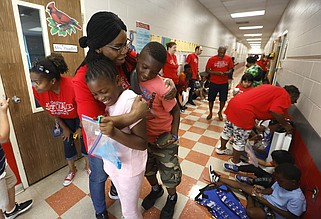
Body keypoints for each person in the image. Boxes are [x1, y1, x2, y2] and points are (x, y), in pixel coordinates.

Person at [73, 11, 176, 219]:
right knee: (100, 175)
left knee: (121, 177)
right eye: (117, 47)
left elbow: (148, 68)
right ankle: (100, 211)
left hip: (130, 142)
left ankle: (118, 189)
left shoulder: (125, 59)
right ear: (98, 47)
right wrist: (133, 115)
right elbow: (95, 128)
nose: (125, 51)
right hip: (103, 145)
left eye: (126, 43)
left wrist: (168, 83)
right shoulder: (84, 79)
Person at [86, 58, 147, 219]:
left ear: (118, 80)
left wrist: (114, 133)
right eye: (95, 94)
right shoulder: (110, 102)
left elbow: (142, 143)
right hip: (116, 164)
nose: (100, 97)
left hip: (130, 169)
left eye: (104, 91)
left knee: (129, 211)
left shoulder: (130, 101)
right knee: (122, 199)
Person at [135, 42, 182, 219]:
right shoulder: (131, 76)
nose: (146, 73)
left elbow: (176, 110)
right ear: (138, 57)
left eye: (153, 71)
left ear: (160, 70)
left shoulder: (163, 86)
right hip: (143, 138)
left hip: (164, 139)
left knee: (169, 173)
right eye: (144, 67)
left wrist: (174, 135)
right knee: (148, 169)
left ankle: (172, 196)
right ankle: (156, 190)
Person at [30, 53, 89, 187]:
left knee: (84, 140)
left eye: (38, 82)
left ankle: (88, 165)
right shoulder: (38, 92)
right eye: (33, 82)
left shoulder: (72, 86)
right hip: (64, 118)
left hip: (79, 116)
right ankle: (72, 169)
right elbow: (51, 111)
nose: (35, 86)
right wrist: (65, 128)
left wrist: (80, 127)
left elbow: (83, 108)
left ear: (52, 81)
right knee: (67, 141)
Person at [215, 84, 300, 165]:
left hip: (234, 104)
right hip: (244, 111)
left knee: (228, 130)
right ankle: (235, 162)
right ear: (291, 94)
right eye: (295, 99)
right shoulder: (284, 95)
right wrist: (286, 125)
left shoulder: (272, 89)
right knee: (240, 140)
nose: (294, 102)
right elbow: (275, 111)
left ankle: (222, 149)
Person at [209, 163, 306, 219]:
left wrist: (266, 203)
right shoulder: (282, 183)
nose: (278, 182)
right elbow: (271, 190)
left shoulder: (297, 198)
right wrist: (261, 192)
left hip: (274, 214)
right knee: (243, 185)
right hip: (267, 201)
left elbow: (291, 217)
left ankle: (251, 198)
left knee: (250, 212)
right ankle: (217, 178)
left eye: (280, 180)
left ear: (293, 182)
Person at [0, 96, 33, 219]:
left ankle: (11, 210)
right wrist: (3, 112)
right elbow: (3, 137)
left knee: (11, 181)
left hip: (2, 164)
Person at [224, 150, 294, 188]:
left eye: (274, 161)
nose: (272, 162)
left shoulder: (285, 171)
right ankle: (237, 168)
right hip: (271, 177)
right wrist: (252, 158)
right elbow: (265, 164)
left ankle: (251, 181)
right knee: (255, 167)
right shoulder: (279, 162)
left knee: (266, 179)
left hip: (274, 184)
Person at [205, 46, 234, 121]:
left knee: (223, 99)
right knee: (211, 99)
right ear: (217, 51)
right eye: (220, 52)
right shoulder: (212, 59)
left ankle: (220, 112)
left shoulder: (228, 59)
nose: (221, 54)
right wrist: (216, 73)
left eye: (223, 53)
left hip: (224, 83)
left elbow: (231, 69)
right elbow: (207, 70)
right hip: (213, 82)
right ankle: (210, 112)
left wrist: (227, 72)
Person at [163, 42, 185, 111]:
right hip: (168, 80)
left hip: (175, 79)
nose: (175, 49)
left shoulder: (174, 56)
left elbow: (176, 66)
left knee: (175, 96)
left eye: (176, 47)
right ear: (169, 48)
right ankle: (173, 109)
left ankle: (176, 108)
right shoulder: (165, 56)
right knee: (170, 97)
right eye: (174, 48)